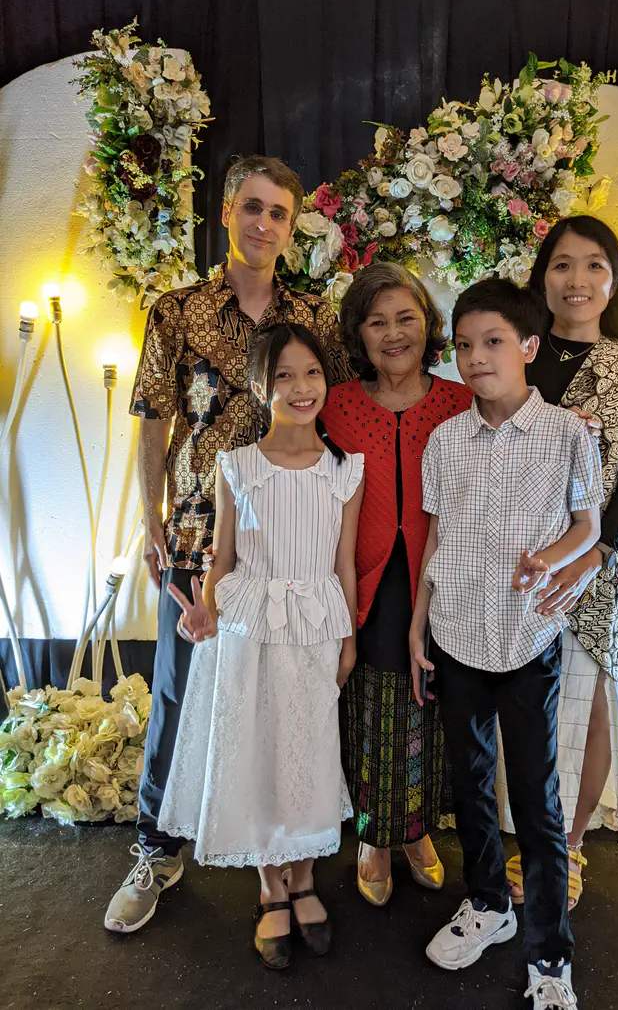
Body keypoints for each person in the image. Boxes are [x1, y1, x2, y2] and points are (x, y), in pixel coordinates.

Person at [105, 155, 353, 935]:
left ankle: (281, 849)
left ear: (291, 227)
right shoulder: (176, 310)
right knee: (180, 695)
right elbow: (153, 415)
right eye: (252, 206)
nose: (264, 223)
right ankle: (157, 849)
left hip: (287, 546)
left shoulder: (314, 315)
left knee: (284, 703)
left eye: (279, 213)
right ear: (226, 211)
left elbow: (339, 409)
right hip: (196, 530)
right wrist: (150, 513)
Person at [410, 278, 604, 1008]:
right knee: (469, 787)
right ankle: (489, 903)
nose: (476, 358)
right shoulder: (445, 440)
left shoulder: (568, 434)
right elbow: (434, 538)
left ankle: (550, 955)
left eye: (492, 341)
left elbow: (588, 526)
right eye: (464, 345)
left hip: (528, 639)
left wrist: (549, 558)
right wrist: (418, 622)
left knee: (536, 800)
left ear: (527, 345)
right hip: (457, 634)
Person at [154, 323, 363, 969]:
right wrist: (205, 612)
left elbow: (345, 563)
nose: (301, 387)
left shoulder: (344, 470)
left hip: (316, 626)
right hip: (250, 627)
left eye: (311, 373)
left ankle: (304, 875)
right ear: (257, 385)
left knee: (307, 750)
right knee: (258, 750)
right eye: (283, 376)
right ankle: (271, 884)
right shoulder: (236, 465)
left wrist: (349, 637)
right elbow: (223, 560)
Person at [501, 216, 618, 911]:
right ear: (543, 278)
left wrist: (595, 552)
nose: (577, 279)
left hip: (597, 560)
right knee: (523, 705)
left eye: (594, 264)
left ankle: (566, 848)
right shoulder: (518, 354)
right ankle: (524, 840)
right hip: (519, 557)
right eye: (562, 264)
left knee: (590, 703)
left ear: (614, 280)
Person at [321, 263, 473, 906]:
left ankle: (416, 831)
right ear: (358, 334)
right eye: (376, 322)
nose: (393, 334)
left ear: (428, 325)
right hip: (366, 582)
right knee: (374, 711)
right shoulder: (336, 405)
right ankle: (374, 836)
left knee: (431, 708)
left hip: (445, 581)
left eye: (406, 318)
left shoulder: (460, 401)